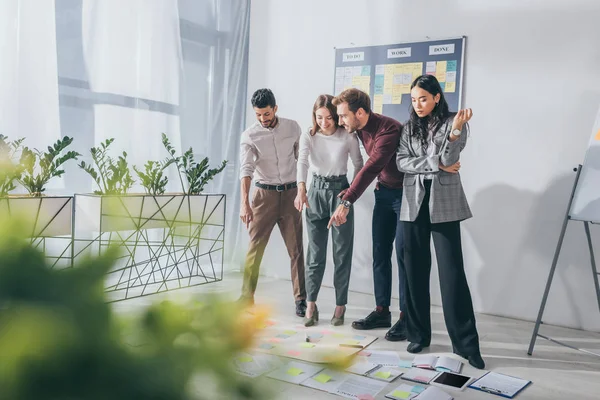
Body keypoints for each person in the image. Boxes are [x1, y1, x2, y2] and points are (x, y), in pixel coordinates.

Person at [396, 74, 485, 369]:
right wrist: (436, 165)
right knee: (414, 272)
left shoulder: (454, 122)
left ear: (436, 97)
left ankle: (467, 345)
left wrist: (456, 132)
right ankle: (418, 334)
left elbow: (451, 155)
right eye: (413, 99)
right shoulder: (409, 127)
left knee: (452, 275)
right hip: (413, 205)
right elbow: (401, 162)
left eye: (423, 98)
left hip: (444, 205)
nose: (418, 104)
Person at [329, 88, 408, 342]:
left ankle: (407, 318)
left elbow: (373, 165)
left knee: (404, 257)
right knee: (380, 254)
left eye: (343, 116)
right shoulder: (358, 128)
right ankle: (382, 311)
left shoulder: (390, 129)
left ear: (360, 112)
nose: (340, 121)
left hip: (404, 197)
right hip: (384, 194)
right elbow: (367, 170)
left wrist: (347, 200)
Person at [294, 94, 364, 327]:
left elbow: (359, 165)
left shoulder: (348, 136)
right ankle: (311, 305)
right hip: (315, 192)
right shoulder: (309, 135)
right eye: (319, 117)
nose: (324, 122)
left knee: (341, 253)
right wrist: (301, 188)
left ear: (336, 116)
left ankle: (340, 305)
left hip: (340, 193)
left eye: (329, 118)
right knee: (315, 254)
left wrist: (351, 195)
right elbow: (302, 161)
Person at [238, 88, 307, 317]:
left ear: (275, 108)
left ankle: (300, 299)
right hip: (263, 196)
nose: (262, 119)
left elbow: (301, 161)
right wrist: (244, 203)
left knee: (296, 249)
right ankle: (246, 297)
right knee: (255, 249)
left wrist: (300, 190)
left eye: (266, 114)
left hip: (289, 195)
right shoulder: (250, 135)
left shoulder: (292, 127)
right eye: (258, 114)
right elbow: (246, 169)